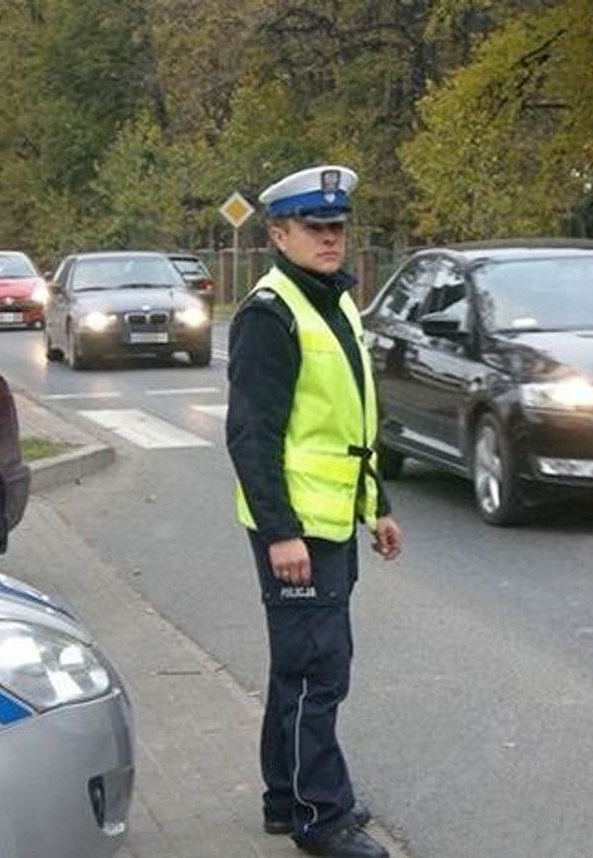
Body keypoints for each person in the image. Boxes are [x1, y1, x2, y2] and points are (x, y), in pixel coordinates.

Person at [226, 164, 403, 858]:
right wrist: (280, 533)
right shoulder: (272, 315)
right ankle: (319, 819)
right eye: (314, 227)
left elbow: (350, 420)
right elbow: (250, 435)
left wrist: (378, 504)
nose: (330, 238)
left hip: (332, 519)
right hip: (298, 527)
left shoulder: (332, 300)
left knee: (299, 665)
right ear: (278, 233)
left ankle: (284, 797)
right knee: (315, 672)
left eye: (337, 226)